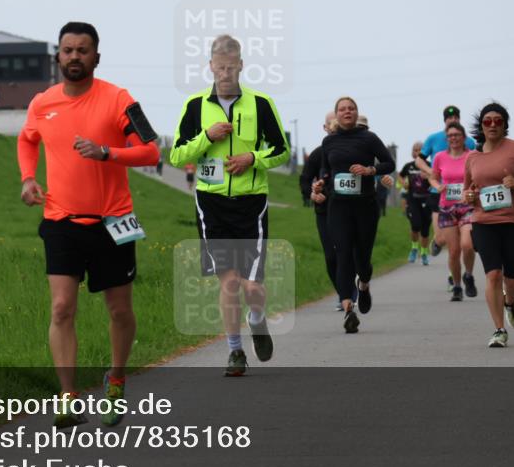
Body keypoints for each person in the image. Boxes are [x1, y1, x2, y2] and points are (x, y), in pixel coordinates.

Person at [18, 21, 160, 427]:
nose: (75, 57)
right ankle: (68, 395)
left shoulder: (118, 100)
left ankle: (115, 380)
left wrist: (106, 153)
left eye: (83, 50)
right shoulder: (42, 102)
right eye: (68, 50)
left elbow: (151, 151)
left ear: (97, 57)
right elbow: (28, 139)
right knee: (61, 308)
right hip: (61, 219)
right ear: (57, 56)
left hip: (113, 220)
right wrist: (28, 178)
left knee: (119, 311)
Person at [169, 34, 291, 376]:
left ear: (241, 65)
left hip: (252, 205)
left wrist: (252, 158)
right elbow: (177, 155)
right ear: (210, 66)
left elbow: (282, 151)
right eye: (219, 66)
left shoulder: (261, 103)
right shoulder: (195, 106)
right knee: (231, 282)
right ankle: (235, 352)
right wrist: (206, 138)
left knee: (252, 287)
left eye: (231, 66)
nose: (225, 72)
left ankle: (257, 318)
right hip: (211, 206)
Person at [312, 97, 395, 334]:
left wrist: (370, 170)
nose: (347, 112)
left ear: (356, 113)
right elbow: (327, 172)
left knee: (363, 258)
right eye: (342, 109)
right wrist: (320, 184)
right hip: (338, 207)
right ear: (336, 115)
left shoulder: (368, 138)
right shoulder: (329, 141)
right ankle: (348, 308)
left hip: (365, 206)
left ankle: (365, 285)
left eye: (351, 109)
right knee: (343, 253)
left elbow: (389, 163)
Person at [462, 102, 514, 348]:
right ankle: (499, 329)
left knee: (513, 282)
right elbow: (468, 191)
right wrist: (470, 197)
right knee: (493, 275)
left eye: (498, 120)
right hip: (484, 222)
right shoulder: (472, 157)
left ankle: (510, 301)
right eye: (488, 121)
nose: (493, 125)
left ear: (505, 124)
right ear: (481, 126)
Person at [416, 106, 477, 291]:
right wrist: (432, 175)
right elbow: (420, 160)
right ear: (444, 121)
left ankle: (460, 278)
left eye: (455, 117)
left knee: (465, 244)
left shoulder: (471, 145)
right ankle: (437, 242)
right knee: (445, 241)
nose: (452, 120)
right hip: (440, 197)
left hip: (466, 203)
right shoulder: (434, 140)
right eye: (449, 118)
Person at [300, 112, 352, 311]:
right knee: (331, 256)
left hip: (349, 209)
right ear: (326, 128)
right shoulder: (317, 154)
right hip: (324, 211)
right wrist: (312, 195)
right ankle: (343, 293)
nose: (336, 126)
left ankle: (351, 289)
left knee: (349, 253)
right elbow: (305, 180)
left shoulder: (353, 151)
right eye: (332, 123)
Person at [429, 122, 477, 301]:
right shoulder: (440, 157)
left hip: (467, 207)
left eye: (457, 135)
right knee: (454, 251)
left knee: (467, 245)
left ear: (464, 138)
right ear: (446, 139)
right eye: (450, 136)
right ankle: (457, 286)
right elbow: (433, 178)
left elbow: (479, 177)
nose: (454, 138)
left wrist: (473, 190)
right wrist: (438, 186)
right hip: (447, 207)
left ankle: (469, 275)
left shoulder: (472, 156)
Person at [399, 142, 433, 265]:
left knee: (425, 230)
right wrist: (404, 183)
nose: (418, 152)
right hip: (412, 200)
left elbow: (438, 178)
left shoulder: (430, 166)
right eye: (415, 150)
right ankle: (414, 248)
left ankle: (423, 253)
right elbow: (400, 176)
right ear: (412, 152)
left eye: (420, 150)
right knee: (415, 225)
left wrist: (429, 176)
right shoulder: (408, 166)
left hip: (427, 200)